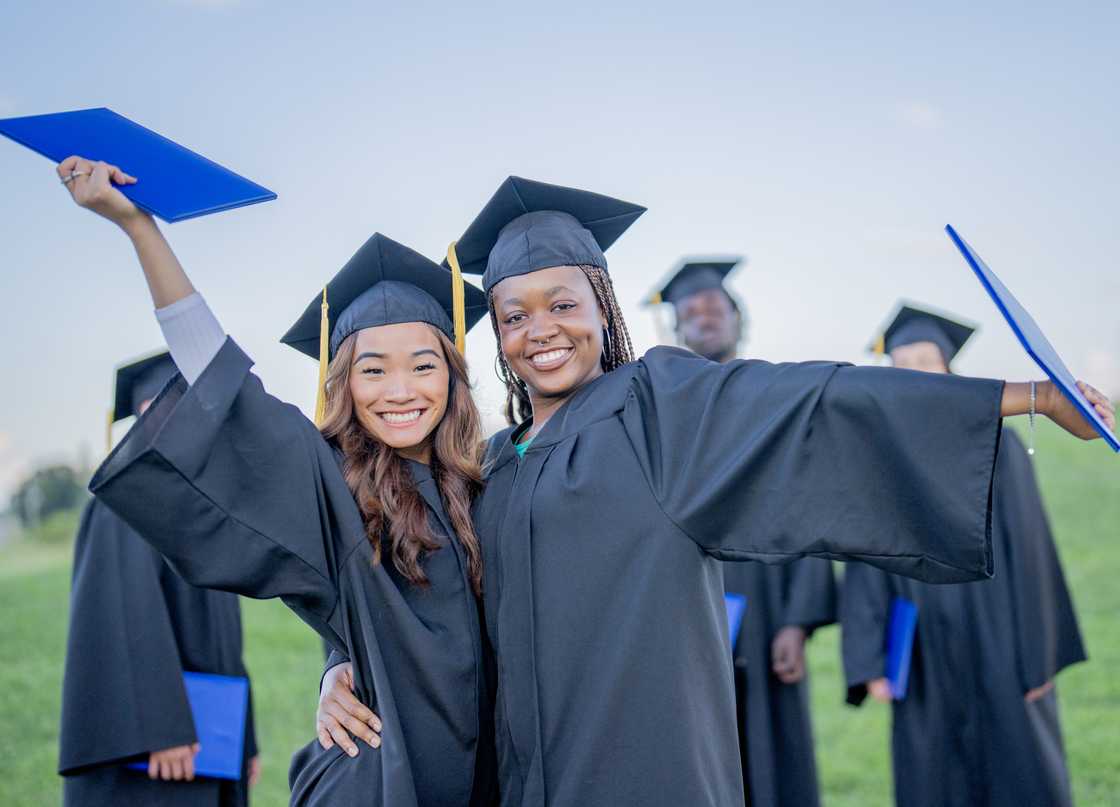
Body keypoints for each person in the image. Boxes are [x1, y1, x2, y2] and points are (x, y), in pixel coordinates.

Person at [321, 175, 1112, 806]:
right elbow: (403, 578)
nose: (543, 330)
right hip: (522, 770)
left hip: (649, 768)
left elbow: (818, 400)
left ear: (602, 304)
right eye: (514, 314)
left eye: (564, 303)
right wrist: (336, 666)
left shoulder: (663, 406)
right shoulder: (488, 464)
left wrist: (1030, 397)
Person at [54, 155, 496, 806]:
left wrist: (335, 661)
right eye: (372, 370)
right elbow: (229, 393)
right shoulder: (336, 487)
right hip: (381, 783)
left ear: (453, 376)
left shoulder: (500, 480)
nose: (399, 390)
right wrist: (140, 229)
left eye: (422, 365)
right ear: (343, 385)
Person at [840, 303, 1088, 807]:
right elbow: (866, 559)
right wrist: (869, 657)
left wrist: (1038, 657)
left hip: (999, 632)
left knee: (1019, 766)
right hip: (922, 642)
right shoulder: (879, 455)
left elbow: (1032, 549)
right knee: (932, 773)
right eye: (901, 362)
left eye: (925, 359)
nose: (913, 372)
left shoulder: (1001, 444)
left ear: (949, 370)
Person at [647, 257, 837, 807]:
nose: (705, 318)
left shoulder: (771, 400)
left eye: (715, 308)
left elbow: (811, 504)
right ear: (677, 329)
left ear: (737, 319)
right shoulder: (663, 413)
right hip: (685, 616)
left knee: (775, 760)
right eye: (691, 312)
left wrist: (798, 623)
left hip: (769, 612)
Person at [58, 350, 260, 806]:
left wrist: (243, 738)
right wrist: (161, 728)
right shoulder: (121, 502)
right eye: (168, 408)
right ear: (143, 414)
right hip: (155, 751)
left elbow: (223, 640)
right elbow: (121, 621)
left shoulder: (201, 504)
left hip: (207, 741)